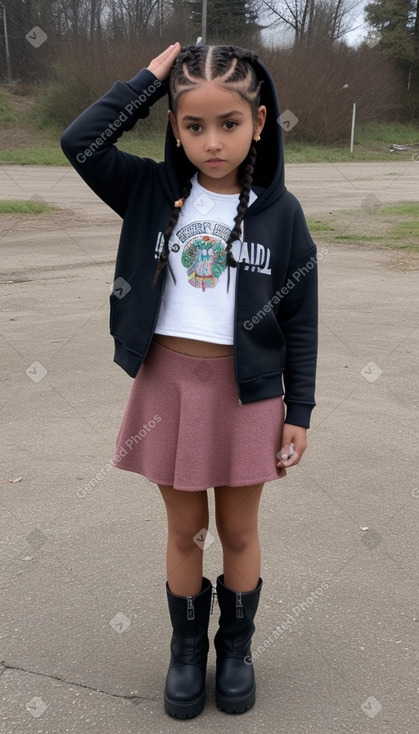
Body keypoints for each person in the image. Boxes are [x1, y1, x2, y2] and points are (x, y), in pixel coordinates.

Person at [61, 41, 318, 719]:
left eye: (228, 124)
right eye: (193, 125)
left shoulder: (280, 214)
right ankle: (184, 654)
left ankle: (234, 650)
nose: (211, 141)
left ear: (259, 122)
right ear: (173, 126)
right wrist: (147, 83)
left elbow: (301, 319)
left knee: (236, 530)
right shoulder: (148, 190)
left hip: (248, 393)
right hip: (167, 387)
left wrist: (302, 408)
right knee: (184, 532)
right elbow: (79, 141)